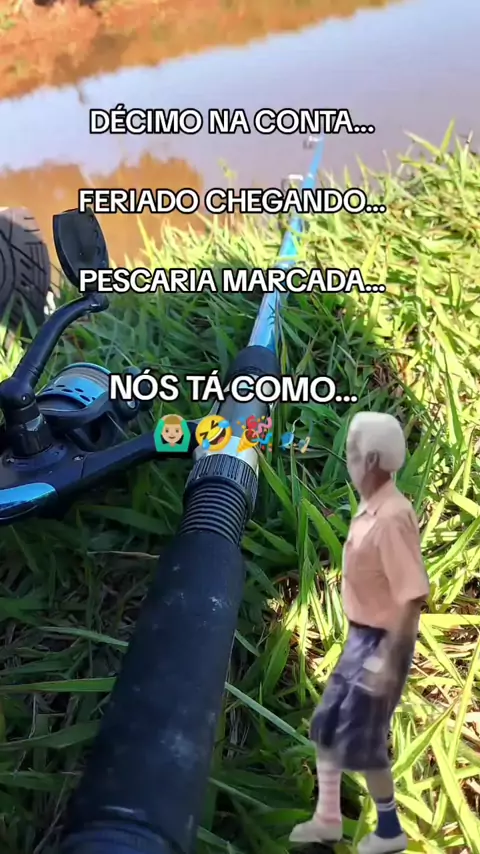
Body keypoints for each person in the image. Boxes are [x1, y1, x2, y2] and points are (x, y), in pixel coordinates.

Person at [289, 411, 430, 854]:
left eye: (351, 453)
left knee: (364, 743)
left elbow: (411, 594)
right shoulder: (373, 509)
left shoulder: (392, 518)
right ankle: (329, 817)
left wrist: (389, 660)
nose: (347, 461)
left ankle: (387, 829)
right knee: (327, 726)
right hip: (362, 635)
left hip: (380, 642)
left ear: (370, 461)